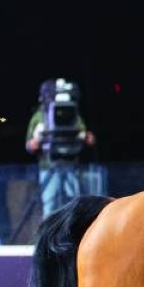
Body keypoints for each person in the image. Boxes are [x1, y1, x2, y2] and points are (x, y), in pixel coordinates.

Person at [25, 78, 95, 219]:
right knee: (50, 206)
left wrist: (88, 138)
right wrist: (37, 140)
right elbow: (29, 145)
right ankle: (50, 239)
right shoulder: (40, 117)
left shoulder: (75, 116)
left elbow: (85, 136)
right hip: (48, 166)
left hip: (71, 164)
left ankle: (74, 238)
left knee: (75, 204)